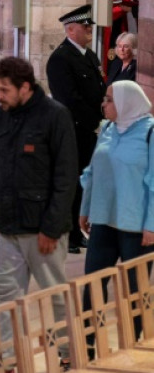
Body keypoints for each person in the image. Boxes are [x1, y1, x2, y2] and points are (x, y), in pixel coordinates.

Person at [0, 56, 77, 368]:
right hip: (8, 226)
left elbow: (66, 177)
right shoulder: (2, 115)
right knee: (6, 296)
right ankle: (9, 360)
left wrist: (51, 228)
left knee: (54, 295)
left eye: (4, 89)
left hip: (43, 231)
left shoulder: (55, 116)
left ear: (25, 87)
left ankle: (68, 354)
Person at [79, 80, 154, 342]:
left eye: (110, 99)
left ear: (126, 102)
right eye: (105, 98)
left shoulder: (150, 132)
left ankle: (132, 349)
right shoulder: (108, 128)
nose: (104, 104)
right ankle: (87, 349)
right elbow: (92, 172)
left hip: (136, 228)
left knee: (135, 293)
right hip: (103, 220)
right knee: (92, 288)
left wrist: (151, 225)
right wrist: (85, 207)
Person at [46, 4, 106, 254]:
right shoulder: (60, 59)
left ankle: (78, 231)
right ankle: (68, 235)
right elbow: (68, 99)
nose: (89, 29)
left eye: (89, 25)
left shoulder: (88, 55)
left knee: (85, 182)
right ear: (71, 30)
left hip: (90, 130)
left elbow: (99, 90)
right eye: (85, 26)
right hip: (74, 130)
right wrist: (95, 121)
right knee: (71, 182)